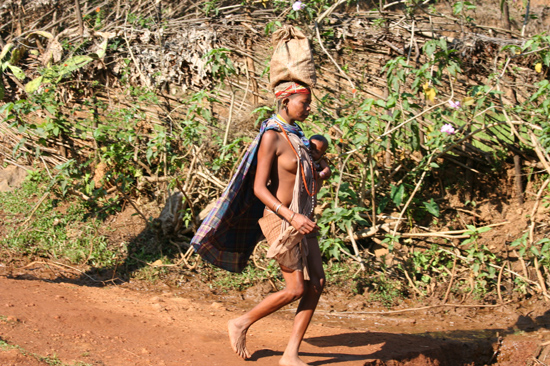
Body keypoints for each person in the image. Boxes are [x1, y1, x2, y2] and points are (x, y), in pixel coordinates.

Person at [191, 81, 324, 366]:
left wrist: (318, 176)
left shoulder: (298, 136)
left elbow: (299, 180)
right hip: (281, 219)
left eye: (309, 102)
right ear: (285, 101)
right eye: (304, 102)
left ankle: (290, 354)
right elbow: (259, 189)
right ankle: (240, 323)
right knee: (296, 289)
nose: (309, 108)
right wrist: (292, 217)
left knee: (318, 283)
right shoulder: (272, 137)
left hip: (303, 219)